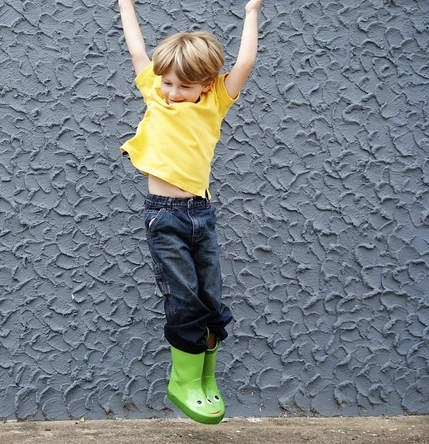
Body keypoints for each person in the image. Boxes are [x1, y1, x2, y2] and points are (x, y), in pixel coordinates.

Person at [117, 0, 265, 425]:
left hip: (201, 214)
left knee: (211, 301)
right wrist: (125, 4)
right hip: (164, 217)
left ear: (207, 84)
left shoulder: (215, 101)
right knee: (184, 300)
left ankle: (205, 378)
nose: (172, 92)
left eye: (183, 86)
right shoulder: (156, 94)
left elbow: (245, 61)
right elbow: (137, 50)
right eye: (167, 83)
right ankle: (183, 383)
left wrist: (251, 12)